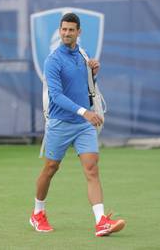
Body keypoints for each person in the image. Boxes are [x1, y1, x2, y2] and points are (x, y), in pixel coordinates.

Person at [29, 12, 125, 237]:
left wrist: (94, 73)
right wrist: (85, 113)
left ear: (78, 32)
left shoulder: (84, 55)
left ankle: (101, 221)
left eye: (71, 30)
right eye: (63, 29)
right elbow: (56, 96)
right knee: (50, 169)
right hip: (60, 123)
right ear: (60, 31)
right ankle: (37, 213)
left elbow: (86, 88)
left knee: (92, 169)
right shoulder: (52, 60)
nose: (66, 33)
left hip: (83, 125)